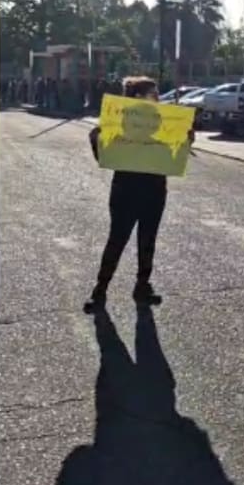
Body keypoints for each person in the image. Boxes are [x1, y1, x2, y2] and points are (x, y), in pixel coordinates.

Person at [84, 76, 186, 310]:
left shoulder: (161, 121)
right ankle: (100, 290)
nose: (158, 97)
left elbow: (172, 156)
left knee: (147, 240)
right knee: (117, 239)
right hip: (125, 190)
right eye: (153, 93)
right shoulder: (118, 125)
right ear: (137, 98)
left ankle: (143, 285)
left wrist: (185, 139)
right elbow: (103, 154)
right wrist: (97, 137)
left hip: (154, 189)